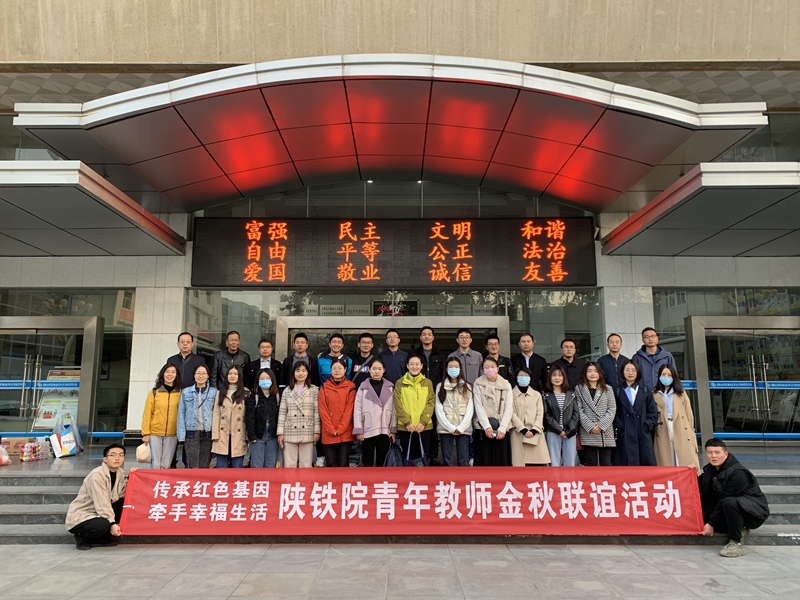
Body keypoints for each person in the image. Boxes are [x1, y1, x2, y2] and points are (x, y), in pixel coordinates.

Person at [700, 438, 770, 558]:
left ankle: (736, 541)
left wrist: (711, 523)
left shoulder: (739, 473)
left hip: (753, 513)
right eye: (710, 452)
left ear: (725, 454)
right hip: (729, 508)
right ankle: (738, 528)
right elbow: (698, 487)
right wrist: (690, 472)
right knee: (701, 514)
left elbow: (726, 498)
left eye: (717, 452)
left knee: (729, 501)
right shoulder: (710, 470)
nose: (713, 456)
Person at [65, 444, 135, 550]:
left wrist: (131, 478)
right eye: (113, 455)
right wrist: (112, 523)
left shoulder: (119, 473)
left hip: (99, 513)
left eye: (121, 455)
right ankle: (82, 538)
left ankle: (101, 536)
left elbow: (119, 495)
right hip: (84, 514)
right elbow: (102, 502)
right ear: (105, 459)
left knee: (123, 503)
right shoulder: (97, 475)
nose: (117, 458)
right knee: (102, 524)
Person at [653, 364, 701, 473]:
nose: (666, 377)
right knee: (666, 458)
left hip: (680, 427)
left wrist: (691, 431)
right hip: (663, 429)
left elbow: (689, 414)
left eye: (669, 375)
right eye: (663, 374)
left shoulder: (681, 393)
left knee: (682, 459)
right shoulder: (654, 394)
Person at [409, 326, 445, 464]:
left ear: (433, 337)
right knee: (419, 424)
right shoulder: (414, 354)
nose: (426, 336)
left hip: (436, 394)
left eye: (429, 334)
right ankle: (419, 457)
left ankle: (433, 457)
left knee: (434, 426)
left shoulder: (440, 354)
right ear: (420, 337)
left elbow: (443, 374)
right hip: (418, 394)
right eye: (424, 334)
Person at [353, 357, 396, 467]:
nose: (377, 371)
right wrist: (358, 429)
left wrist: (393, 429)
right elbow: (357, 409)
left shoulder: (390, 387)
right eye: (374, 369)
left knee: (382, 462)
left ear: (384, 370)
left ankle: (381, 479)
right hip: (368, 428)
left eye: (380, 369)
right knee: (368, 461)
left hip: (385, 429)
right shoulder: (363, 387)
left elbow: (394, 409)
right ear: (369, 370)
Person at [613, 361, 657, 466]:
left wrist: (647, 425)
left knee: (645, 465)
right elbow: (614, 411)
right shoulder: (617, 390)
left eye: (633, 370)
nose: (630, 373)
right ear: (622, 372)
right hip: (624, 433)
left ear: (638, 372)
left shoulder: (645, 390)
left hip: (642, 432)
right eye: (627, 370)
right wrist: (619, 425)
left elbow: (652, 411)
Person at [394, 354, 436, 465]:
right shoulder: (400, 383)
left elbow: (431, 402)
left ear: (421, 366)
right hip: (406, 427)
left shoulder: (427, 382)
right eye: (411, 364)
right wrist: (407, 422)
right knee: (408, 457)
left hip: (424, 427)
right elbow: (398, 404)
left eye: (417, 364)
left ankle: (422, 476)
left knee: (422, 458)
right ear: (407, 366)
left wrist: (423, 422)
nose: (414, 367)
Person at [472, 357, 514, 466]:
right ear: (482, 369)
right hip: (483, 429)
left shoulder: (506, 384)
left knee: (502, 463)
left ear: (497, 368)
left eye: (492, 367)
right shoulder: (478, 384)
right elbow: (478, 406)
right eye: (486, 367)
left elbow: (509, 407)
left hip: (502, 429)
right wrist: (487, 426)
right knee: (484, 462)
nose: (490, 369)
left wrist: (503, 427)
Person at [277, 362, 320, 468]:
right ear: (293, 373)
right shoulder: (287, 390)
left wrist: (317, 431)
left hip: (307, 429)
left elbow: (316, 412)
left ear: (308, 373)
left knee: (306, 465)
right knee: (289, 465)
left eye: (303, 371)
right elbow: (282, 413)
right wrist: (280, 433)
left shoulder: (314, 390)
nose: (300, 373)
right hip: (290, 430)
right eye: (298, 371)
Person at [141, 363, 182, 469]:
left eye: (173, 372)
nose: (170, 374)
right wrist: (146, 433)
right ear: (162, 374)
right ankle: (155, 479)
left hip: (172, 433)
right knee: (156, 463)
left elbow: (182, 414)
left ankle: (163, 479)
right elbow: (147, 413)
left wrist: (180, 433)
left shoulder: (180, 393)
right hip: (155, 432)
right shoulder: (154, 392)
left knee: (166, 463)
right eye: (167, 372)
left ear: (176, 375)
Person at [575, 362, 616, 466]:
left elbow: (612, 409)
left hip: (605, 431)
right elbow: (579, 410)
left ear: (600, 373)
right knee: (591, 463)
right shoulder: (579, 389)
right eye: (589, 371)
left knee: (605, 463)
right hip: (588, 431)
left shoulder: (608, 389)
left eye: (596, 371)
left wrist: (600, 426)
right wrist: (590, 426)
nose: (592, 373)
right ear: (585, 373)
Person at [434, 357, 473, 466]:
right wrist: (449, 427)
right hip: (445, 429)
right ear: (446, 369)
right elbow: (438, 409)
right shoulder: (440, 386)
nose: (453, 369)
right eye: (451, 367)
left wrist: (462, 427)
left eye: (456, 366)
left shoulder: (467, 387)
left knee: (463, 460)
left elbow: (470, 409)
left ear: (460, 368)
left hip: (463, 429)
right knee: (447, 460)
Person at [318, 357, 356, 467]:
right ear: (330, 370)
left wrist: (340, 429)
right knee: (331, 464)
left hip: (345, 432)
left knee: (344, 464)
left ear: (345, 370)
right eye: (334, 368)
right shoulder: (324, 387)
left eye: (340, 368)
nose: (337, 371)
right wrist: (331, 429)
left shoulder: (351, 386)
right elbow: (323, 409)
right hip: (328, 432)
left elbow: (349, 410)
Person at [176, 363, 216, 468]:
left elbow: (217, 413)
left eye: (204, 373)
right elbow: (181, 413)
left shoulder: (214, 392)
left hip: (208, 432)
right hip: (191, 432)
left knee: (204, 464)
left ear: (208, 376)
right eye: (198, 373)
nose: (201, 376)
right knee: (192, 464)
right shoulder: (186, 392)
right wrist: (181, 435)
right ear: (194, 375)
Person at [510, 366, 550, 466]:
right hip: (518, 433)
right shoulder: (510, 394)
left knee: (537, 466)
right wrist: (522, 429)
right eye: (521, 375)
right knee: (519, 464)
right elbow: (511, 413)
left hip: (535, 434)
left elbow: (540, 414)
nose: (523, 378)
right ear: (516, 378)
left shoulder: (536, 395)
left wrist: (534, 429)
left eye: (526, 375)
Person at [211, 365, 248, 468]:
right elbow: (216, 414)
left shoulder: (246, 393)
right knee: (221, 467)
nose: (232, 376)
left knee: (237, 467)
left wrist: (247, 436)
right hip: (222, 435)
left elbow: (248, 416)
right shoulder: (220, 392)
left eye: (235, 374)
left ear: (240, 376)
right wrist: (215, 435)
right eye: (230, 374)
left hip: (239, 435)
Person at [542, 365, 580, 467]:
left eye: (560, 375)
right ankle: (555, 478)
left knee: (570, 461)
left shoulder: (571, 394)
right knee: (554, 461)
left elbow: (576, 414)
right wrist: (559, 430)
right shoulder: (545, 395)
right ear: (550, 377)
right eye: (554, 375)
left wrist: (569, 430)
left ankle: (569, 478)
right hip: (553, 431)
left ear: (564, 377)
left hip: (569, 432)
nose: (557, 378)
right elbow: (546, 414)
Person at [245, 367, 280, 468]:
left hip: (273, 436)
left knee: (270, 465)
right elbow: (249, 417)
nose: (265, 381)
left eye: (268, 378)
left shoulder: (277, 396)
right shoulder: (253, 396)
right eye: (262, 379)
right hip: (258, 436)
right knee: (257, 466)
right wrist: (251, 436)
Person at [632, 327, 678, 391]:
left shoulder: (667, 356)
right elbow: (634, 377)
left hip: (663, 392)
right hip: (644, 393)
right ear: (643, 340)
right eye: (647, 337)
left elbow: (674, 375)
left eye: (652, 336)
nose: (650, 339)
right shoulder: (637, 357)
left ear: (657, 338)